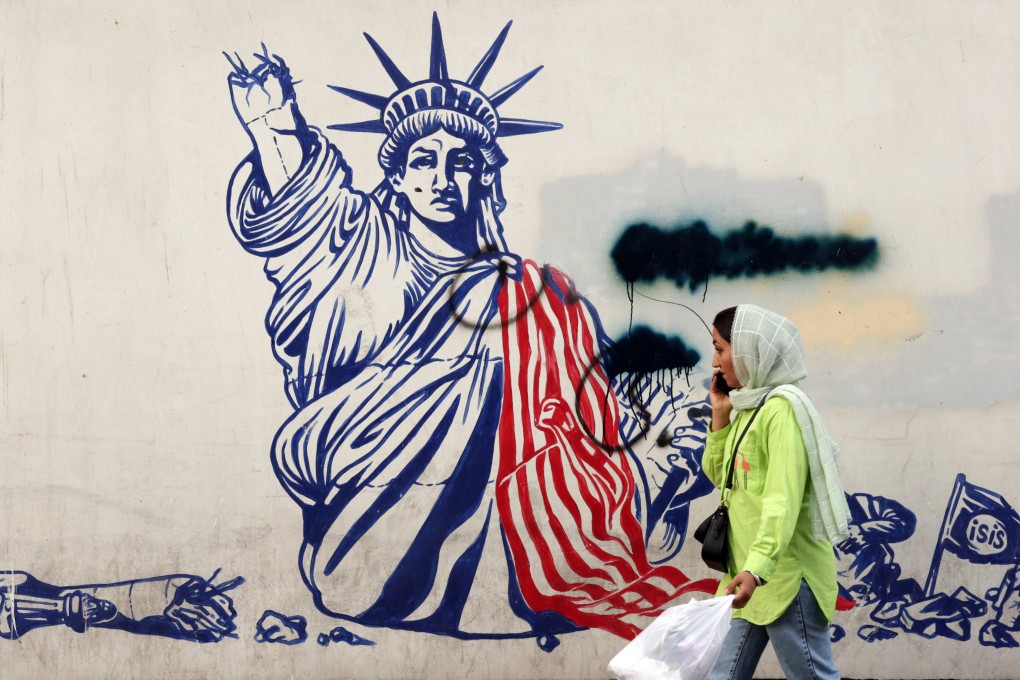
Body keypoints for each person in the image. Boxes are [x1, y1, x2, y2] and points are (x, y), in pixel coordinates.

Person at [223, 18, 715, 642]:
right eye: (422, 161)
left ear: (484, 176)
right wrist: (273, 128)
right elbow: (303, 208)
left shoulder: (533, 289)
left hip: (525, 491)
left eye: (462, 163)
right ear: (398, 176)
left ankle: (540, 558)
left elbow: (593, 393)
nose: (441, 178)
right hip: (364, 465)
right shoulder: (358, 245)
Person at [702, 304, 851, 679]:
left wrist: (757, 569)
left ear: (750, 351)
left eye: (720, 349)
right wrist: (719, 417)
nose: (715, 361)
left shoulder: (782, 411)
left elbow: (781, 501)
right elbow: (721, 477)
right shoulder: (749, 407)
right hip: (749, 577)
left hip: (783, 579)